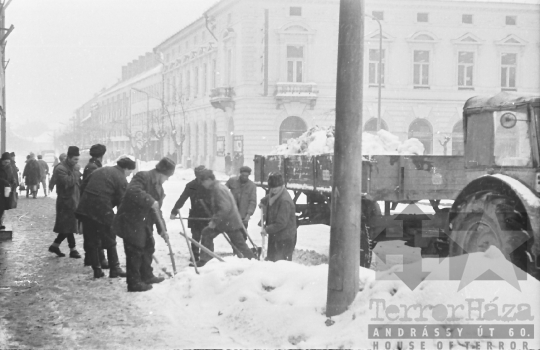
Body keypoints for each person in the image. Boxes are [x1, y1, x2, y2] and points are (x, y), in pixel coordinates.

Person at [112, 158, 175, 292]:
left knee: (148, 246)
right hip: (130, 220)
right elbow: (132, 191)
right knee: (135, 250)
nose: (167, 180)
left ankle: (146, 276)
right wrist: (150, 200)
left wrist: (162, 230)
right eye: (166, 177)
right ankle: (133, 283)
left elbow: (157, 211)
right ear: (160, 173)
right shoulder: (143, 176)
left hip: (144, 222)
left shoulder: (159, 188)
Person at [76, 156, 136, 278]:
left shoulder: (100, 170)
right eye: (130, 172)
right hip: (101, 209)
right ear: (125, 168)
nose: (129, 175)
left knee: (92, 239)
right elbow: (122, 203)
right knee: (110, 238)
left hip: (85, 207)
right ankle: (115, 269)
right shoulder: (121, 178)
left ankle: (97, 270)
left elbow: (82, 186)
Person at [195, 169, 255, 267]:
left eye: (203, 182)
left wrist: (214, 221)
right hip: (227, 221)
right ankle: (206, 260)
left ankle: (252, 261)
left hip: (229, 222)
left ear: (209, 179)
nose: (202, 184)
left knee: (239, 243)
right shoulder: (217, 187)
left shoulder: (218, 189)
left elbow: (225, 208)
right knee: (207, 233)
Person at [169, 165, 211, 261]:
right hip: (195, 215)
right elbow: (182, 199)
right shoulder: (191, 186)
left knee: (207, 237)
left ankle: (205, 256)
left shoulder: (210, 185)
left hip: (208, 215)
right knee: (196, 236)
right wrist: (174, 211)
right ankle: (195, 256)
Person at [48, 146, 82, 259]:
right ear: (69, 157)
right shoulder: (60, 168)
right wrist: (77, 174)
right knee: (69, 225)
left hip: (74, 200)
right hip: (65, 201)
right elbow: (68, 182)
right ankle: (72, 249)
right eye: (75, 160)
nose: (77, 162)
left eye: (78, 159)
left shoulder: (75, 167)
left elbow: (78, 184)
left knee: (69, 225)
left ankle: (56, 245)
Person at [259, 173, 297, 262]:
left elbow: (281, 223)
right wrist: (263, 201)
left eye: (276, 187)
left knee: (280, 264)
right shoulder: (276, 193)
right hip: (277, 235)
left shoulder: (284, 201)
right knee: (272, 261)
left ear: (281, 185)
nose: (274, 189)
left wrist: (267, 230)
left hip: (284, 238)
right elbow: (270, 196)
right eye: (272, 187)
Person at [82, 144, 108, 268]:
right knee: (96, 233)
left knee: (91, 233)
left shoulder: (91, 166)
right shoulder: (94, 167)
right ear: (102, 155)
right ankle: (99, 259)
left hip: (88, 203)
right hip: (93, 204)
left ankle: (90, 258)